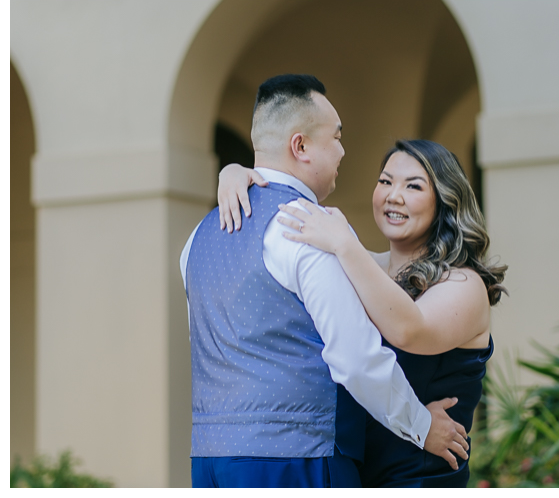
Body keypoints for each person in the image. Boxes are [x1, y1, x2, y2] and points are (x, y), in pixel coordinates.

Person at [180, 74, 469, 488]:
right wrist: (422, 426)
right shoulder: (307, 229)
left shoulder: (198, 237)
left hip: (209, 459)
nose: (343, 150)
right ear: (300, 147)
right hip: (297, 458)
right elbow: (354, 357)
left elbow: (210, 346)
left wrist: (232, 170)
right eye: (336, 137)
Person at [219, 136, 506, 488]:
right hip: (352, 471)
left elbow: (408, 330)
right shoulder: (364, 266)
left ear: (444, 201)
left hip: (420, 475)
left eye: (413, 186)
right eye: (385, 181)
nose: (393, 195)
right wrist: (235, 174)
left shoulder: (464, 283)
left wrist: (343, 243)